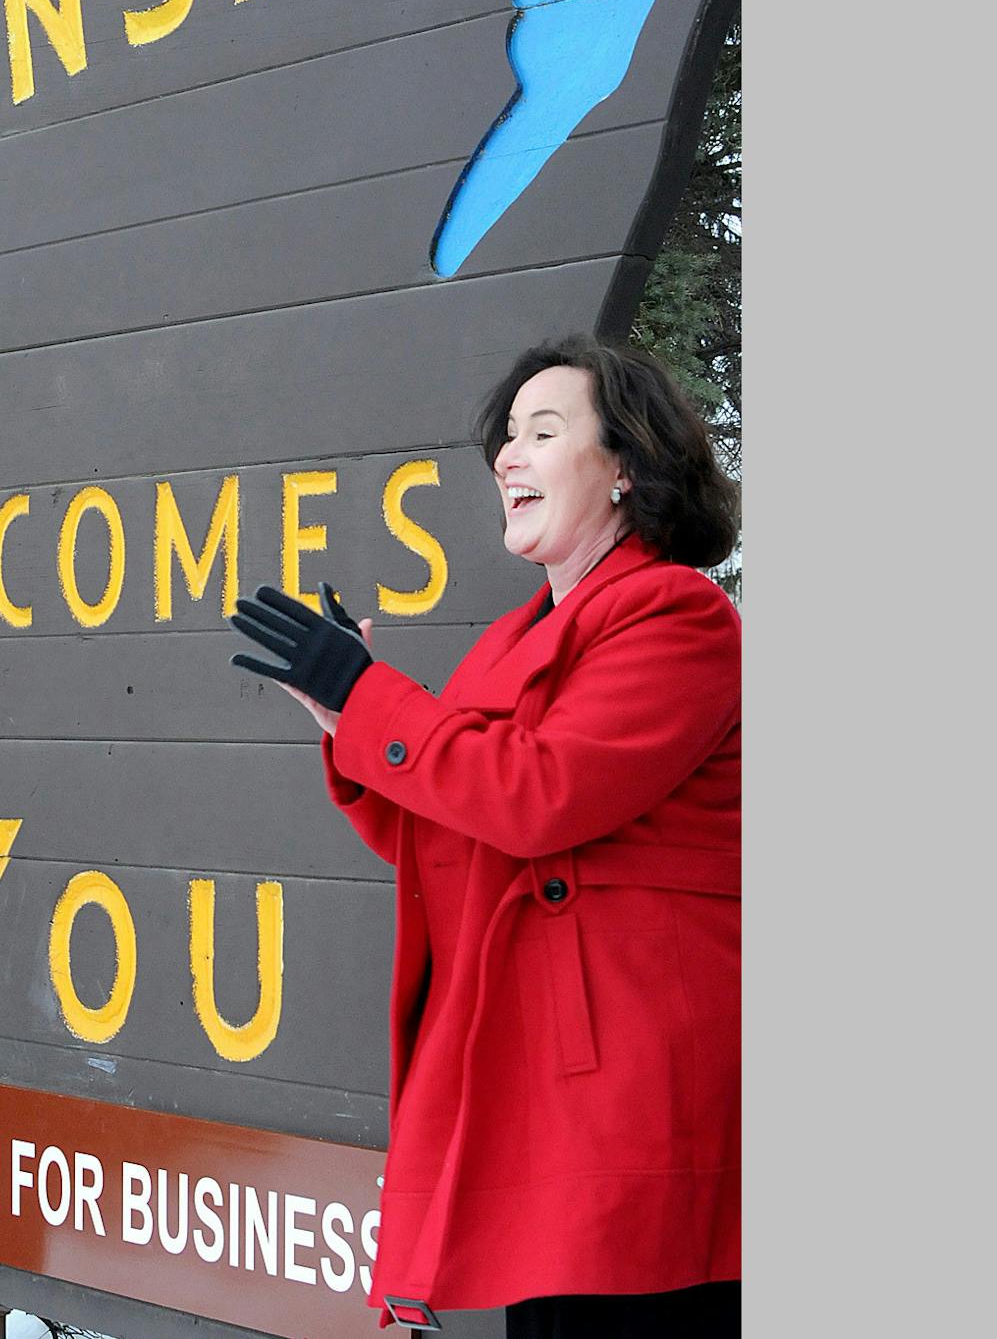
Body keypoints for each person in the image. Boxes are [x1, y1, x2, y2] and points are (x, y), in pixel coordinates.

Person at [228, 336, 741, 1337]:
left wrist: (371, 699)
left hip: (640, 1099)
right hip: (549, 1091)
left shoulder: (681, 617)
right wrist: (350, 723)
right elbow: (456, 839)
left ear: (626, 467)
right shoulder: (514, 642)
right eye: (506, 437)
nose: (508, 456)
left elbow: (539, 796)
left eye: (542, 433)